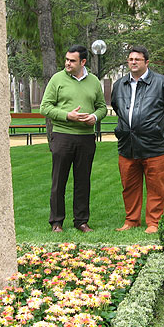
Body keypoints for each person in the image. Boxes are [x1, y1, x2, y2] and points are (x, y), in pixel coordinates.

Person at [111, 46, 164, 234]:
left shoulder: (162, 84)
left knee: (156, 186)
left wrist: (154, 126)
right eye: (130, 59)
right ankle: (131, 220)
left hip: (154, 145)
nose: (133, 62)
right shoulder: (119, 85)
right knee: (129, 185)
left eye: (138, 59)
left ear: (147, 62)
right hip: (127, 144)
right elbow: (117, 107)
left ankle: (154, 222)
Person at [40, 44, 107, 233]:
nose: (67, 63)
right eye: (66, 59)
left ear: (83, 62)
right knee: (58, 181)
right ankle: (56, 222)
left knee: (83, 182)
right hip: (62, 136)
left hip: (86, 138)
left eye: (72, 61)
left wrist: (93, 117)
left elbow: (102, 107)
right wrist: (67, 115)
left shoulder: (94, 81)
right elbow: (45, 107)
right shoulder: (57, 79)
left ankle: (81, 221)